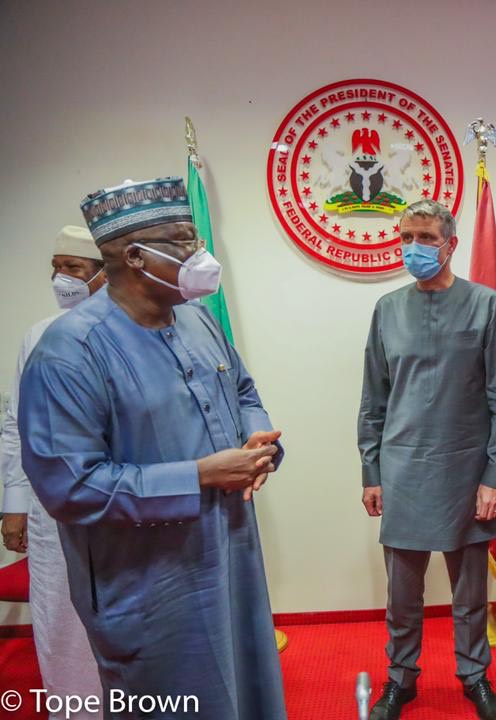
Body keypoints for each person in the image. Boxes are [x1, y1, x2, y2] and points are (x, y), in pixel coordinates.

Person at [18, 177, 286, 719]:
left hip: (230, 555)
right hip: (151, 586)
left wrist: (257, 442)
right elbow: (68, 487)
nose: (199, 254)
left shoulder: (198, 319)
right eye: (184, 241)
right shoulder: (70, 352)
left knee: (248, 689)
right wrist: (200, 476)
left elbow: (242, 391)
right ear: (135, 257)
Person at [358, 199, 496, 720]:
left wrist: (494, 475)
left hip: (466, 473)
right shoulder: (387, 309)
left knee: (469, 594)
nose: (413, 247)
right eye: (406, 237)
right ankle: (400, 679)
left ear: (450, 244)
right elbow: (373, 400)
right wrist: (371, 471)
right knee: (403, 594)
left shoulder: (485, 305)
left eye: (425, 238)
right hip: (402, 471)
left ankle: (474, 676)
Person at [1, 226, 107, 720]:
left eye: (73, 268)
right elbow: (17, 424)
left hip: (120, 503)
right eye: (56, 267)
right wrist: (14, 506)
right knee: (61, 617)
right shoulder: (38, 335)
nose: (61, 278)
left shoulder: (134, 330)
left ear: (104, 274)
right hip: (52, 508)